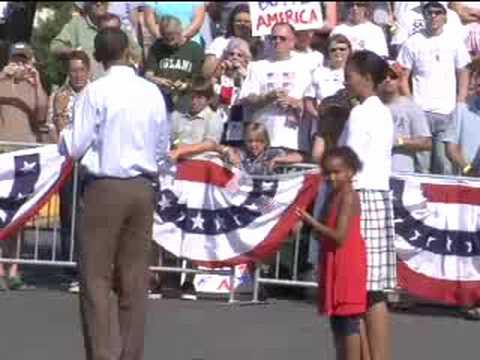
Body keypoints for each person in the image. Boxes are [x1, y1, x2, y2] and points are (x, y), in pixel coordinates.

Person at [58, 28, 169, 360]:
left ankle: (103, 355)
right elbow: (163, 146)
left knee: (95, 277)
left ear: (98, 56)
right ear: (128, 52)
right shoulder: (151, 92)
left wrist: (63, 132)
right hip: (142, 186)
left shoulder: (95, 92)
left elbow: (76, 147)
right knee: (134, 279)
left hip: (105, 187)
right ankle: (130, 354)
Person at [337, 50, 395, 360]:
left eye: (350, 74)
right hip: (377, 197)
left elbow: (347, 164)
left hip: (359, 198)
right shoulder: (381, 111)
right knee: (374, 291)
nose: (346, 80)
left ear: (367, 78)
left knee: (359, 291)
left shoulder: (361, 113)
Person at [295, 146, 367, 360]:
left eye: (337, 172)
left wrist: (311, 221)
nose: (332, 177)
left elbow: (339, 236)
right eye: (328, 173)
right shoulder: (332, 196)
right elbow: (325, 233)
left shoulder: (349, 197)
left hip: (347, 265)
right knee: (336, 322)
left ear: (351, 172)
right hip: (332, 262)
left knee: (349, 322)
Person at [397, 1, 471, 175]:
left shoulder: (454, 41)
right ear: (424, 16)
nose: (433, 16)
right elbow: (402, 77)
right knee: (421, 167)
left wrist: (460, 101)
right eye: (429, 12)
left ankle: (445, 201)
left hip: (447, 111)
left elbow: (464, 71)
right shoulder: (412, 42)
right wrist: (411, 106)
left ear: (445, 17)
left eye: (438, 12)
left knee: (444, 165)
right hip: (421, 112)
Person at [46, 50, 91, 293]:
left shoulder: (96, 93)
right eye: (73, 70)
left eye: (81, 70)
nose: (77, 75)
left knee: (93, 215)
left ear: (88, 70)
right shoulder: (61, 95)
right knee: (70, 213)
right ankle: (71, 267)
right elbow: (55, 127)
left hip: (93, 161)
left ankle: (91, 266)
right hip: (69, 161)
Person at [239, 22, 311, 152]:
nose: (277, 41)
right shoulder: (257, 66)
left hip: (294, 139)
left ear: (293, 41)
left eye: (282, 38)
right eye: (273, 38)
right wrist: (268, 97)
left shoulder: (307, 65)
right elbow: (247, 100)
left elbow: (314, 102)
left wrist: (295, 102)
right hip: (262, 139)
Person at [379, 61, 432, 173]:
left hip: (401, 173)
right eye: (383, 76)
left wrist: (399, 141)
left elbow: (426, 142)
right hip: (375, 173)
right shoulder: (370, 106)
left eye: (393, 76)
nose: (388, 79)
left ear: (399, 80)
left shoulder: (411, 107)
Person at [145, 15, 204, 113]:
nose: (168, 42)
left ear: (180, 30)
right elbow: (148, 75)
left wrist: (185, 84)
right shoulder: (157, 47)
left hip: (186, 100)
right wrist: (158, 80)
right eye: (165, 37)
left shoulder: (194, 49)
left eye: (172, 37)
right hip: (160, 98)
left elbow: (200, 80)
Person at [50, 1, 108, 80]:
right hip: (81, 84)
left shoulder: (115, 23)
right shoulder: (77, 23)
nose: (99, 3)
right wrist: (73, 52)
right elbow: (55, 46)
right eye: (94, 1)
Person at [221, 121, 304, 175]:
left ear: (266, 142)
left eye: (259, 141)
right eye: (250, 141)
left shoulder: (274, 153)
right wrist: (228, 151)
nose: (253, 145)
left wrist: (280, 160)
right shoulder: (242, 153)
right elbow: (216, 147)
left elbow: (303, 157)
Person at [211, 37, 251, 146]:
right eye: (231, 54)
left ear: (246, 59)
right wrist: (219, 71)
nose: (234, 57)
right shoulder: (221, 74)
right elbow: (209, 90)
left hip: (240, 120)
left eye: (239, 55)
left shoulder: (249, 75)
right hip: (221, 120)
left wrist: (242, 74)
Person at [202, 4, 259, 79]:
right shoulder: (220, 42)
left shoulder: (260, 45)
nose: (242, 24)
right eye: (238, 21)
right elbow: (206, 72)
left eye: (247, 21)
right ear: (232, 23)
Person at [304, 34, 352, 120]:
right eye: (333, 50)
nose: (338, 52)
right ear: (328, 52)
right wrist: (319, 118)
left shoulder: (356, 72)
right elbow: (308, 101)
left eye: (342, 49)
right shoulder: (318, 72)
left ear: (349, 50)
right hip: (323, 123)